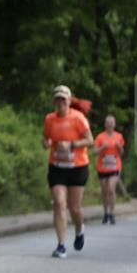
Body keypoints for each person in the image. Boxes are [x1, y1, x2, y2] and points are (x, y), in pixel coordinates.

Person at [42, 85, 94, 259]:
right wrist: (46, 142)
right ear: (54, 102)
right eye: (57, 99)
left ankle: (79, 229)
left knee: (74, 207)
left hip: (77, 166)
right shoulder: (50, 119)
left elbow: (90, 140)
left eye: (63, 99)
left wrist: (71, 145)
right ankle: (61, 245)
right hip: (57, 167)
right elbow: (45, 136)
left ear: (69, 101)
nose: (61, 102)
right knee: (58, 203)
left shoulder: (78, 118)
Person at [92, 115, 125, 224]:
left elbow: (122, 152)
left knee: (111, 189)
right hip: (102, 167)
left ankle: (112, 213)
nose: (110, 124)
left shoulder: (119, 136)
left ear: (114, 124)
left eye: (112, 122)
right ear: (105, 124)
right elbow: (94, 152)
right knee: (105, 191)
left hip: (115, 167)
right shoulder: (100, 137)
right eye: (108, 122)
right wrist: (103, 147)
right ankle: (105, 213)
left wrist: (119, 147)